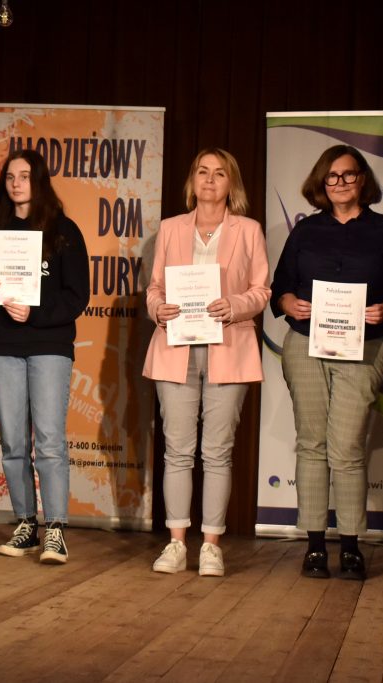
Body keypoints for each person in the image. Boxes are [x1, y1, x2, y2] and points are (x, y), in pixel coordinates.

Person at [270, 145, 383, 580]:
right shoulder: (305, 230)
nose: (340, 183)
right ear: (321, 182)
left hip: (363, 348)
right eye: (332, 176)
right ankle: (315, 546)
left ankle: (351, 546)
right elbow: (281, 285)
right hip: (305, 345)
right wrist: (288, 302)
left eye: (348, 175)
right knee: (312, 443)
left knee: (347, 447)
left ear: (362, 179)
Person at [142, 148, 270, 577]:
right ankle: (177, 543)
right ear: (192, 181)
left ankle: (212, 546)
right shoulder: (170, 228)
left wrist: (234, 305)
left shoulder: (248, 230)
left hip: (229, 347)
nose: (210, 180)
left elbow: (261, 290)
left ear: (231, 183)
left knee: (217, 452)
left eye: (219, 173)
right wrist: (157, 308)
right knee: (177, 451)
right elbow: (155, 287)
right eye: (203, 172)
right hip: (175, 347)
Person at [0, 149, 90, 565]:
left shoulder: (64, 231)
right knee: (13, 441)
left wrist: (34, 313)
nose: (16, 183)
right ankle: (25, 523)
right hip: (4, 345)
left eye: (24, 176)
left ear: (39, 181)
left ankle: (55, 529)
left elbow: (77, 297)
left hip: (50, 346)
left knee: (50, 440)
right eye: (10, 177)